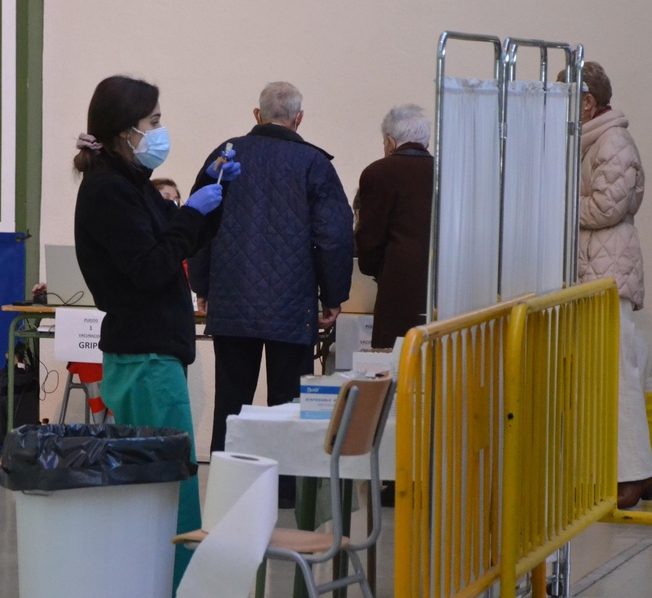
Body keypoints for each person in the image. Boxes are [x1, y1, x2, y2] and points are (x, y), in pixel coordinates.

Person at [72, 75, 239, 589]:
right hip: (145, 359)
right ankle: (176, 584)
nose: (160, 131)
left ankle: (165, 581)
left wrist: (213, 188)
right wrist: (192, 211)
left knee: (164, 482)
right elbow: (150, 266)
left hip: (153, 355)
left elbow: (179, 234)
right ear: (127, 132)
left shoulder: (132, 185)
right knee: (171, 486)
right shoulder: (107, 192)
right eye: (154, 123)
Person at [187, 82, 353, 503]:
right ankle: (285, 492)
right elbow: (333, 236)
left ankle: (229, 487)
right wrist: (333, 297)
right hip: (292, 305)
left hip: (233, 300)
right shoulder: (314, 164)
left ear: (256, 116)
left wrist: (201, 286)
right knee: (288, 403)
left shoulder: (225, 155)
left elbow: (200, 220)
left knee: (232, 399)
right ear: (298, 119)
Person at [559, 62, 652, 509]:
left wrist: (554, 203)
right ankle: (637, 473)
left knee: (617, 378)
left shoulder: (611, 141)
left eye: (565, 99)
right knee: (611, 376)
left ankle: (631, 476)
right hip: (599, 273)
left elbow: (605, 208)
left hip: (607, 276)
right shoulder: (592, 142)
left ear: (587, 102)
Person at [354, 104, 434, 349]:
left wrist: (377, 271)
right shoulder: (447, 173)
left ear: (390, 141)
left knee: (393, 361)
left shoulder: (378, 173)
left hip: (398, 287)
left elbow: (369, 241)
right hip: (444, 286)